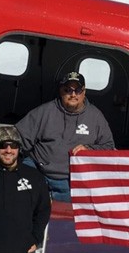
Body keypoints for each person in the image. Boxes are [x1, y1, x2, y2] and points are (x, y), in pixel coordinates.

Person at [16, 71, 115, 201]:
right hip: (38, 170)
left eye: (78, 90)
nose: (73, 94)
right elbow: (18, 137)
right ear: (61, 91)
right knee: (18, 196)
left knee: (65, 217)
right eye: (67, 90)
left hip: (69, 180)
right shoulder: (45, 111)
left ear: (84, 91)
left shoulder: (96, 117)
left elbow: (109, 147)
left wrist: (89, 149)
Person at [0, 126, 51, 253]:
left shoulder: (34, 177)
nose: (8, 150)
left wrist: (36, 238)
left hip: (23, 252)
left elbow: (43, 210)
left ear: (19, 148)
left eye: (13, 145)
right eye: (3, 145)